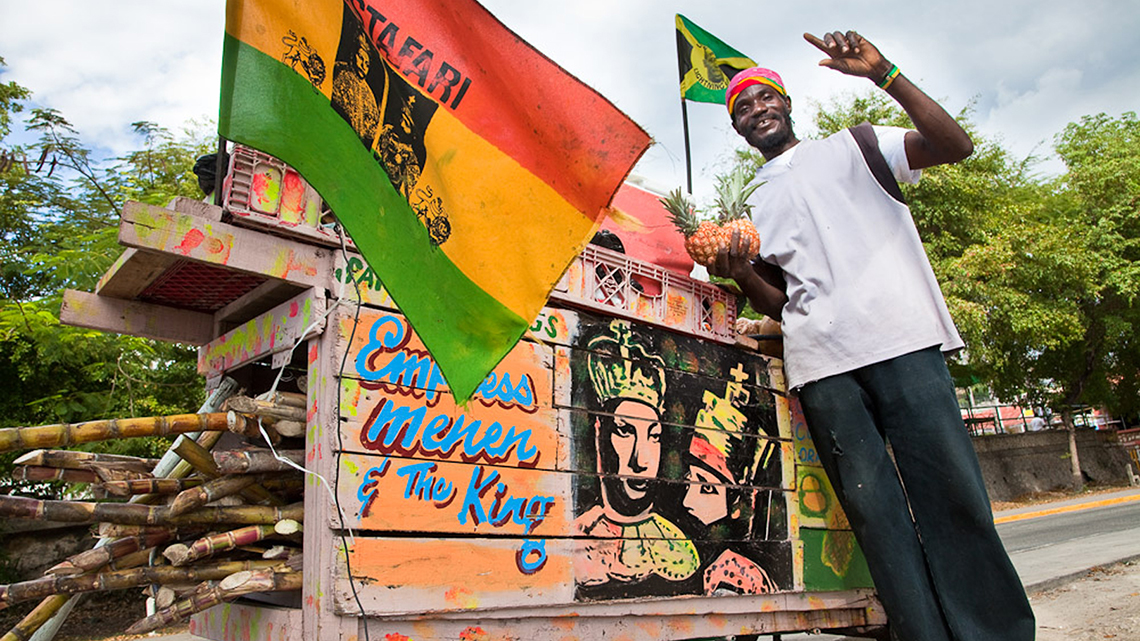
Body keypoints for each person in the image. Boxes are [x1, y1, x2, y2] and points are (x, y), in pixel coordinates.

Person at [711, 31, 1034, 641]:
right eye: (742, 109)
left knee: (953, 498)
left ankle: (997, 633)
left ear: (786, 104)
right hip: (821, 368)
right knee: (876, 516)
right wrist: (740, 271)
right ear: (737, 128)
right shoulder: (754, 206)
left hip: (901, 342)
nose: (756, 111)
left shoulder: (856, 145)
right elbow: (782, 302)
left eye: (763, 98)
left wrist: (884, 73)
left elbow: (953, 145)